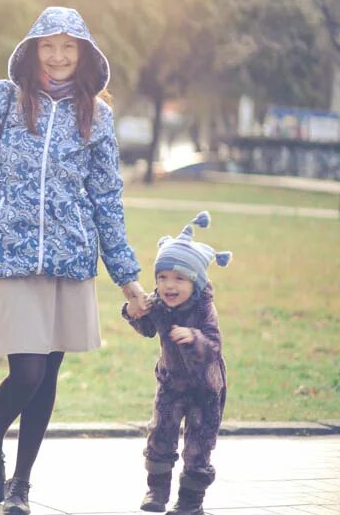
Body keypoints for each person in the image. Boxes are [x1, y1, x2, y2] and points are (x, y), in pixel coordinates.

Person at [0, 6, 148, 515]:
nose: (59, 56)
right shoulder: (3, 100)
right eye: (49, 46)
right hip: (12, 254)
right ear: (32, 50)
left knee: (48, 377)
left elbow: (107, 197)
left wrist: (128, 278)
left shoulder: (97, 113)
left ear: (84, 54)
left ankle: (22, 486)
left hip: (72, 258)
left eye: (69, 47)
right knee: (25, 373)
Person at [123, 211, 230, 515]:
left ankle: (190, 502)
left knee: (199, 445)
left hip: (205, 390)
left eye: (179, 278)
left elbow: (214, 344)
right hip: (170, 384)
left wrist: (194, 337)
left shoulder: (204, 306)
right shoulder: (159, 303)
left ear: (195, 283)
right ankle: (156, 492)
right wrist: (136, 311)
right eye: (162, 277)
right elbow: (146, 330)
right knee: (161, 435)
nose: (169, 285)